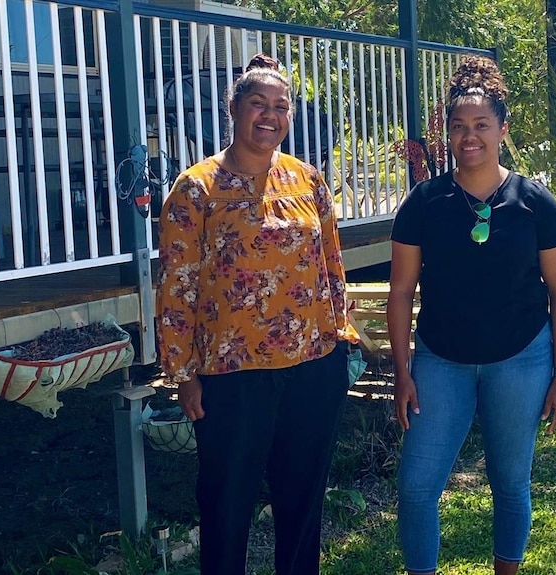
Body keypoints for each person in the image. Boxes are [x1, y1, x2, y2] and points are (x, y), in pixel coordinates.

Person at [155, 53, 359, 575]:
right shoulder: (196, 188)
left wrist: (342, 337)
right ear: (234, 109)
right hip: (231, 374)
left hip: (313, 367)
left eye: (280, 107)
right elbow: (177, 287)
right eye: (257, 104)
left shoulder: (308, 181)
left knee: (302, 502)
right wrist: (182, 374)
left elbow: (330, 263)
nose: (269, 116)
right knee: (227, 505)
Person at [387, 55, 556, 575]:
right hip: (440, 361)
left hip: (521, 358)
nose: (469, 136)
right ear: (448, 133)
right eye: (458, 127)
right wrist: (403, 371)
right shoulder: (424, 203)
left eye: (481, 125)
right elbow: (401, 292)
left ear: (502, 129)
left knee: (511, 483)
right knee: (417, 486)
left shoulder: (537, 204)